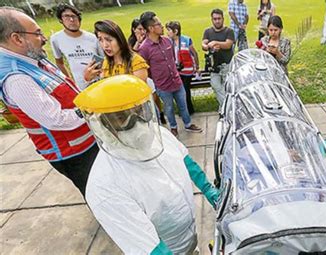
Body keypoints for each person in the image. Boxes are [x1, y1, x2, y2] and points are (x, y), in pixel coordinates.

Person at [74, 75, 219, 254]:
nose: (137, 122)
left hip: (190, 238)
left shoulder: (161, 137)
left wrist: (210, 191)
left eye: (140, 111)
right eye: (121, 117)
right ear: (100, 125)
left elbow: (185, 162)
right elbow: (149, 248)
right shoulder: (105, 187)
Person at [0, 7, 98, 196]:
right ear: (17, 39)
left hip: (84, 143)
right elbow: (56, 119)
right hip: (74, 154)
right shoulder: (17, 78)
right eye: (37, 33)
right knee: (99, 195)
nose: (44, 38)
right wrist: (91, 107)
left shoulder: (31, 58)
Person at [138, 11, 202, 137]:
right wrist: (158, 78)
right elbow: (146, 69)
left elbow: (172, 58)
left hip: (177, 81)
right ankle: (173, 127)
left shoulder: (167, 41)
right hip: (162, 86)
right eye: (159, 24)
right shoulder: (144, 48)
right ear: (151, 28)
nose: (162, 26)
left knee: (183, 105)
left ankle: (188, 124)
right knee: (169, 109)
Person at [50, 3, 102, 90]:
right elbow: (59, 62)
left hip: (99, 81)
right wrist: (70, 82)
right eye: (66, 16)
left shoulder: (92, 37)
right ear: (61, 19)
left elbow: (103, 58)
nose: (71, 19)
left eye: (74, 16)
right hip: (80, 86)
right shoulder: (56, 39)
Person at [128, 18, 167, 124]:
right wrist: (138, 43)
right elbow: (129, 57)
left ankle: (160, 113)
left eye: (143, 29)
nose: (142, 32)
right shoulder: (131, 42)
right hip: (137, 76)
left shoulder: (149, 39)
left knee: (154, 97)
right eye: (139, 29)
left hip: (148, 75)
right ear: (133, 29)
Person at [83, 20, 148, 82]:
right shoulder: (106, 62)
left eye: (109, 40)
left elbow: (140, 90)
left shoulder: (137, 63)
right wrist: (88, 78)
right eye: (100, 40)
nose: (105, 45)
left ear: (119, 39)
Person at [202, 8, 235, 108]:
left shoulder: (229, 31)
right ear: (212, 19)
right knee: (216, 86)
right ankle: (228, 107)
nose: (217, 21)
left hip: (227, 65)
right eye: (215, 19)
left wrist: (216, 43)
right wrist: (209, 46)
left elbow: (228, 44)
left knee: (228, 88)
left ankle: (223, 108)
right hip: (213, 66)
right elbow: (203, 44)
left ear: (223, 19)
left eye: (219, 18)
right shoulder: (208, 31)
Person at [166, 21, 200, 115]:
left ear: (175, 31)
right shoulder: (168, 42)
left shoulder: (186, 40)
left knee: (185, 90)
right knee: (178, 91)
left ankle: (188, 110)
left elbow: (195, 53)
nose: (167, 32)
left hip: (187, 70)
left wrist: (197, 67)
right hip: (176, 71)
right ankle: (184, 110)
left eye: (169, 30)